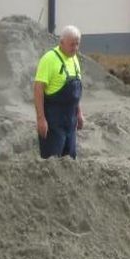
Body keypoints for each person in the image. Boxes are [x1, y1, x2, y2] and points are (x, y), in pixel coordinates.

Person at [33, 25, 84, 159]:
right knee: (52, 163)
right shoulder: (49, 59)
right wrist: (41, 119)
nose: (75, 48)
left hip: (70, 123)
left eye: (77, 44)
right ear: (61, 42)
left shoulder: (74, 59)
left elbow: (75, 94)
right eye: (72, 44)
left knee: (70, 161)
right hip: (53, 123)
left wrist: (79, 113)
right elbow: (38, 89)